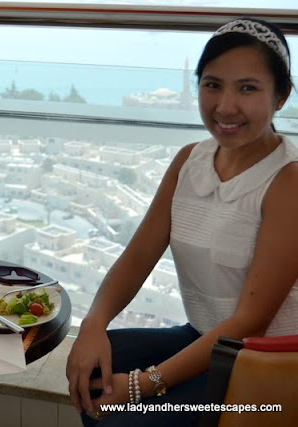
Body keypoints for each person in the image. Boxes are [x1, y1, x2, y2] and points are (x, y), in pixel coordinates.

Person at [66, 17, 298, 426]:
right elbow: (138, 256)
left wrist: (142, 385)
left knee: (122, 417)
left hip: (267, 363)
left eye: (247, 88)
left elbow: (250, 322)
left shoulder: (288, 180)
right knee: (93, 372)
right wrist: (93, 323)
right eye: (212, 85)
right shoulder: (189, 161)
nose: (225, 106)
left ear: (281, 97)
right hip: (204, 337)